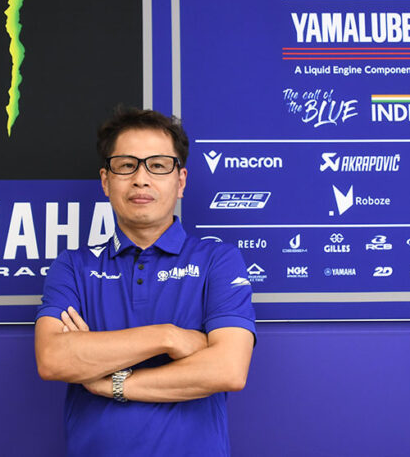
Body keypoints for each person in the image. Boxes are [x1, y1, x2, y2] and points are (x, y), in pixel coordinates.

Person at [35, 107, 256, 457]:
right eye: (126, 165)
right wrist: (168, 337)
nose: (141, 179)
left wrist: (114, 384)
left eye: (158, 165)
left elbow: (228, 369)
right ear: (106, 181)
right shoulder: (73, 266)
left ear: (180, 181)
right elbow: (53, 359)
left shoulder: (218, 260)